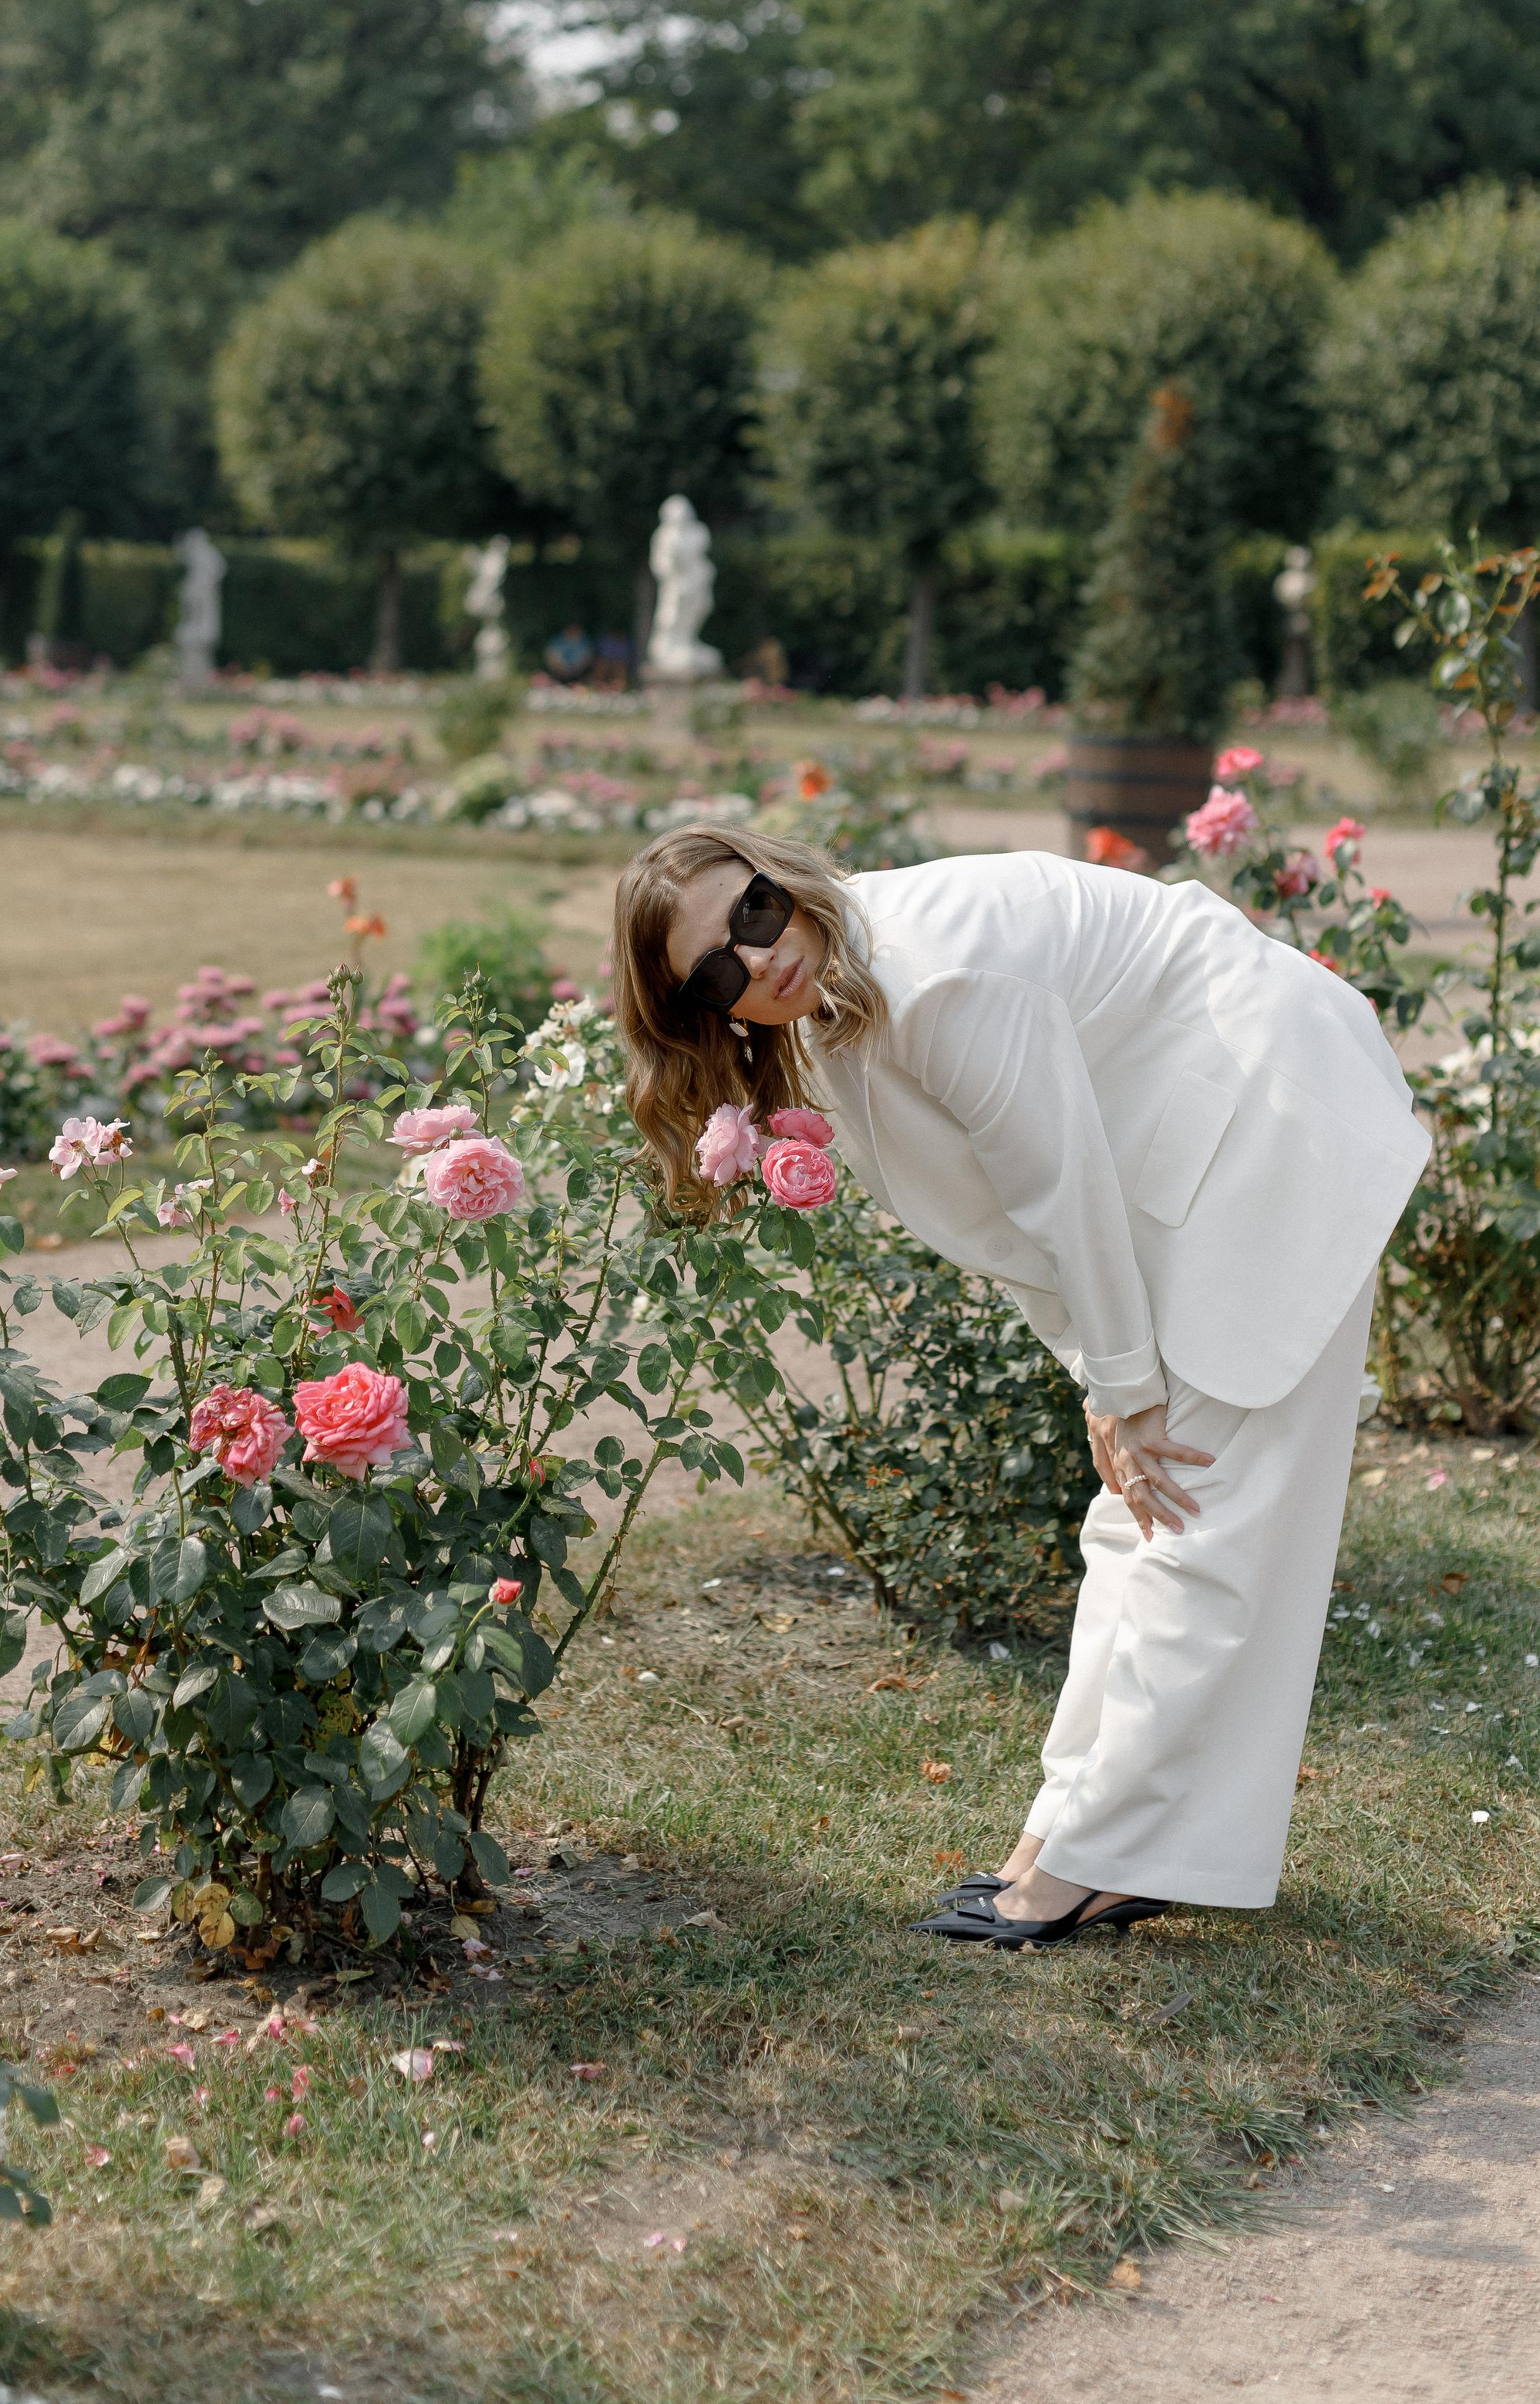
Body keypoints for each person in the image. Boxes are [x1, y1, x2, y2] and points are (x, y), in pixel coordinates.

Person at [611, 826, 1428, 1948]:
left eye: (752, 916)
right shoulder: (845, 1006)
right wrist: (1106, 1379)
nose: (755, 961)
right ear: (700, 1008)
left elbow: (1060, 1184)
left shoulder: (930, 977)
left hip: (1275, 1114)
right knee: (1136, 1515)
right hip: (1193, 1137)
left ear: (781, 881)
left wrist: (1125, 1387)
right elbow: (1016, 1220)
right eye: (715, 970)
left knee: (1198, 1509)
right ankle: (1069, 1834)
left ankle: (1106, 1859)